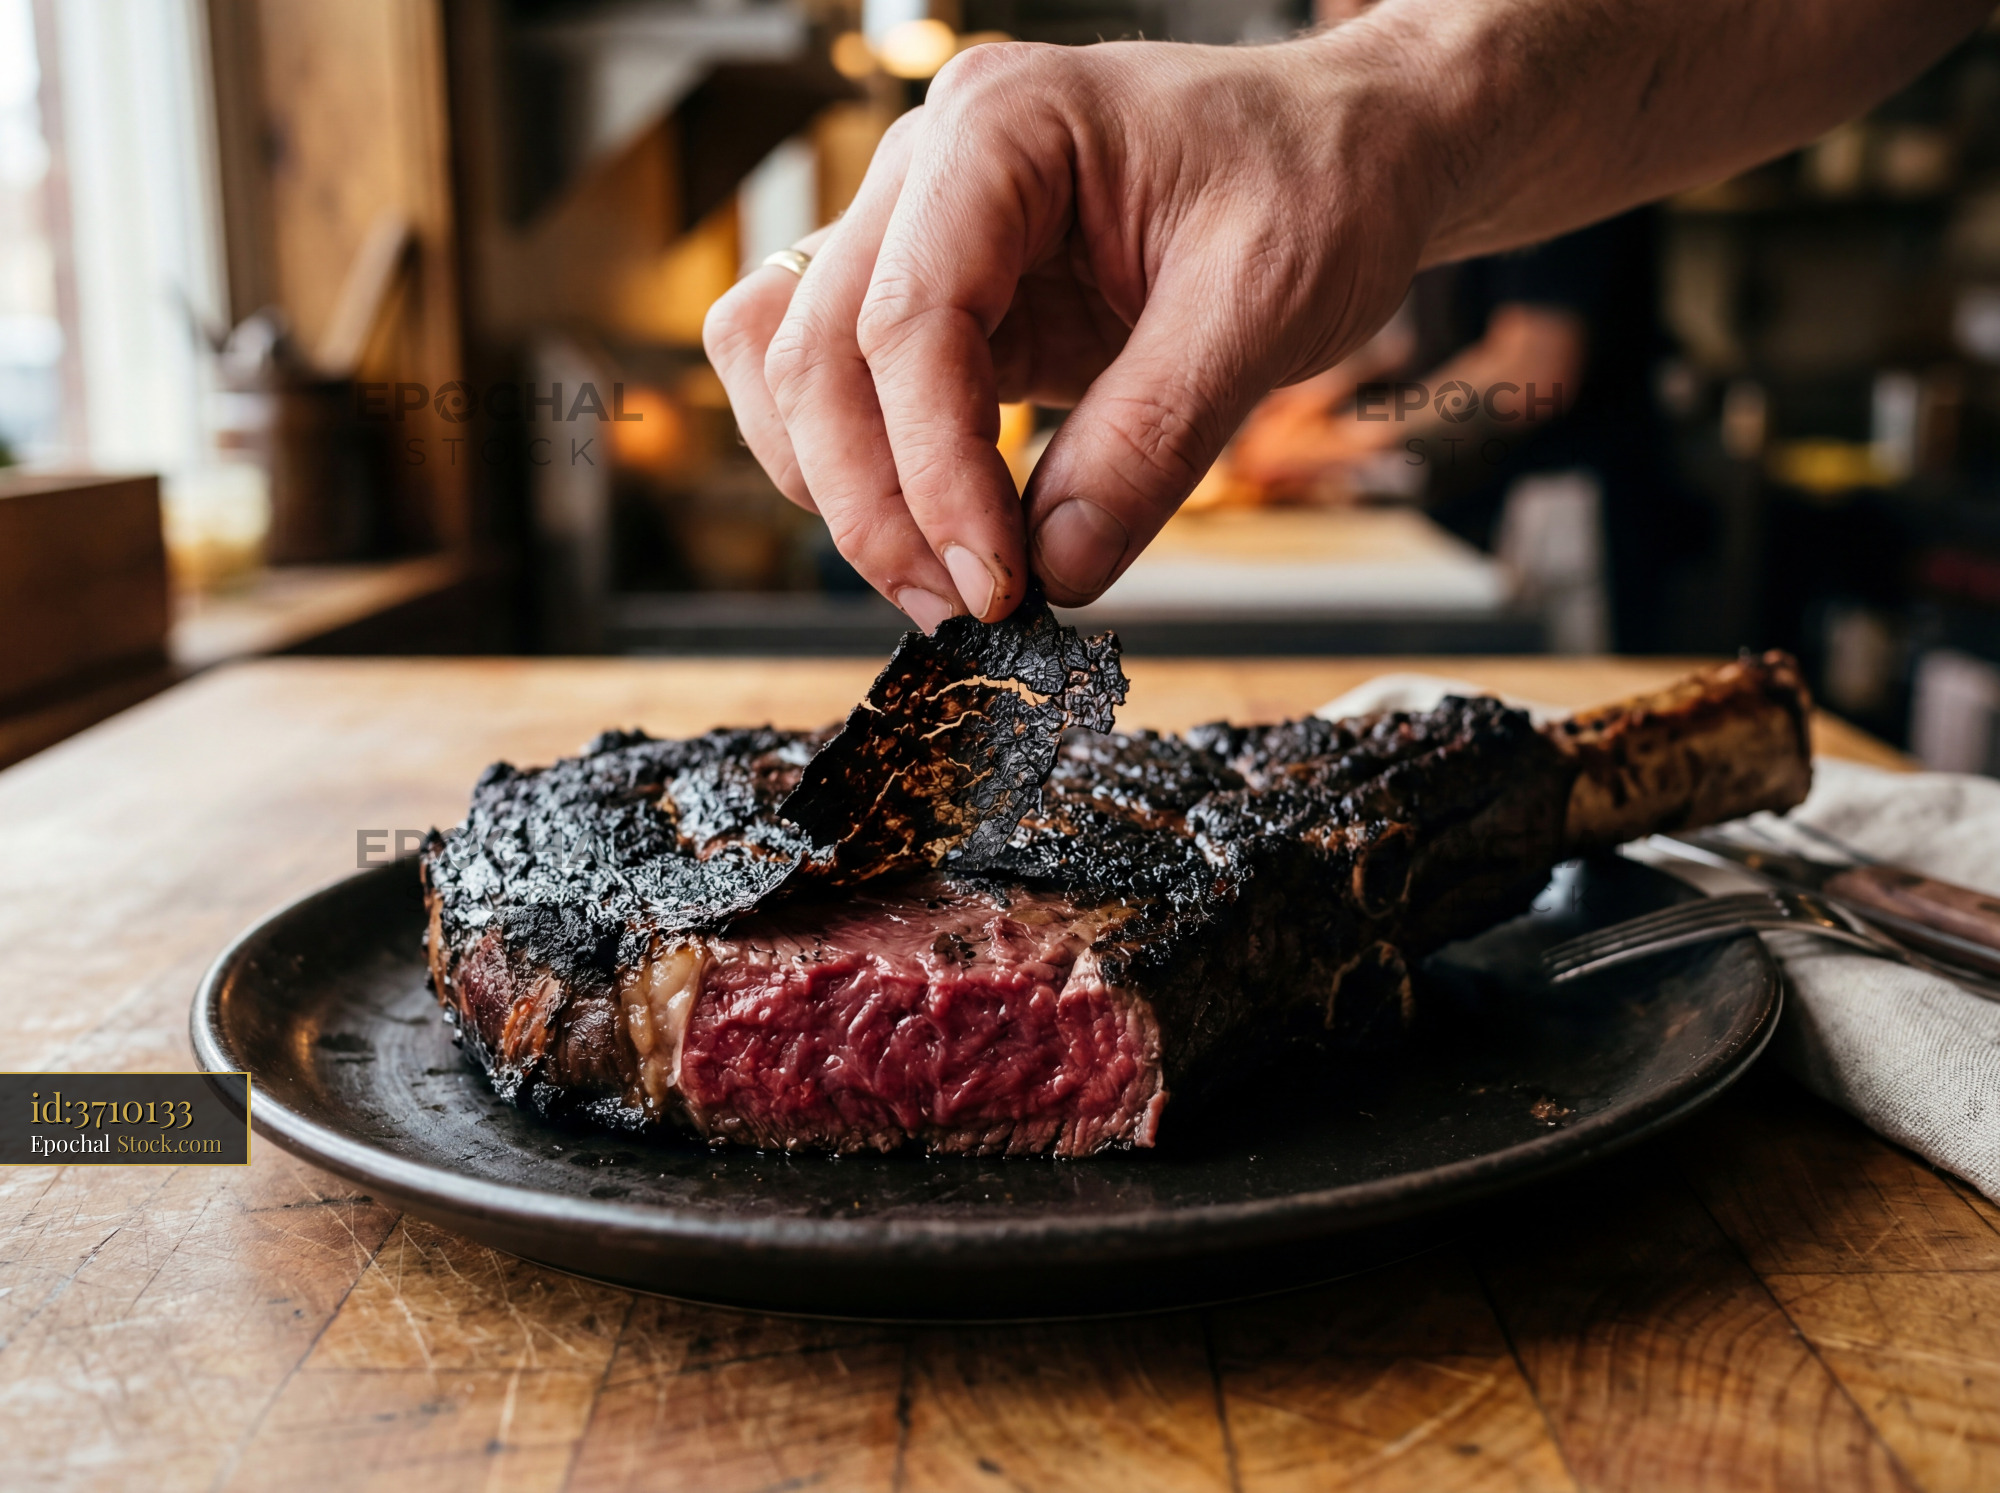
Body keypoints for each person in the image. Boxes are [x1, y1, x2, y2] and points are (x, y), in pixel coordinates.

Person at [705, 0, 1989, 631]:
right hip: (1470, 515)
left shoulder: (1564, 115)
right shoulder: (1423, 145)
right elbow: (1372, 327)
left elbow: (1528, 371)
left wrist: (1350, 450)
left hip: (1582, 533)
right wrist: (1302, 407)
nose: (1330, 35)